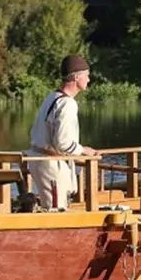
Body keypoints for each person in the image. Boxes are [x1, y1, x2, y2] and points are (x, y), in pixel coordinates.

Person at [27, 55, 99, 210]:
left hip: (39, 159)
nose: (88, 80)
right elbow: (63, 142)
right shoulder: (67, 103)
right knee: (56, 212)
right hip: (51, 165)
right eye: (86, 75)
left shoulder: (52, 97)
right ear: (76, 77)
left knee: (53, 207)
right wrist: (82, 150)